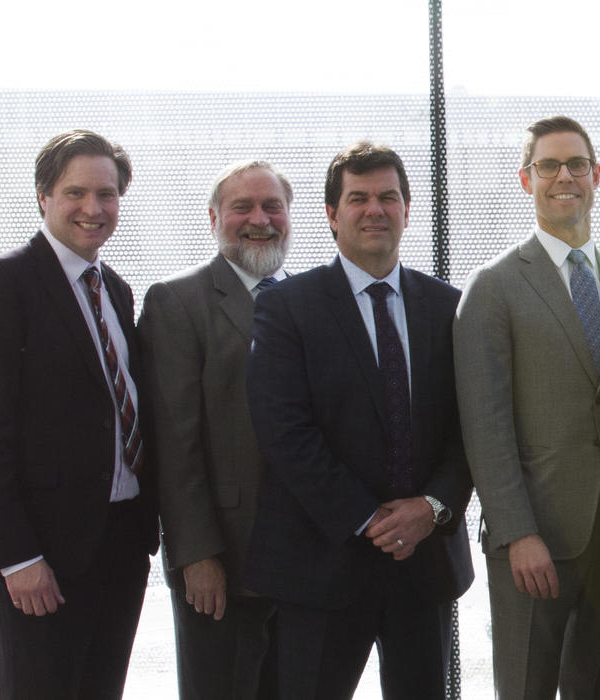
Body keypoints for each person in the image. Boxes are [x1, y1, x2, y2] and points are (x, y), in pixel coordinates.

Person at [242, 142, 473, 699]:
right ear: (331, 214)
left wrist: (432, 508)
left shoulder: (450, 306)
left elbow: (472, 428)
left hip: (424, 565)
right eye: (359, 198)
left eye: (389, 197)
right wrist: (369, 518)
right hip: (322, 564)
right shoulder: (285, 307)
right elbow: (284, 432)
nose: (375, 209)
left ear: (407, 210)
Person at [0, 129, 159, 700]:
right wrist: (17, 557)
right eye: (76, 193)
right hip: (42, 556)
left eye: (107, 194)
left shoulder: (115, 288)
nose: (93, 209)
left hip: (119, 544)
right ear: (43, 196)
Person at [454, 115, 600, 700]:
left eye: (577, 164)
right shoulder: (493, 287)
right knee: (527, 688)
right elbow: (485, 427)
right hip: (534, 542)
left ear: (596, 175)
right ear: (526, 179)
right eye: (549, 165)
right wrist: (517, 533)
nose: (565, 176)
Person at [140, 160, 295, 700]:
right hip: (223, 561)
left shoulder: (312, 299)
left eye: (273, 206)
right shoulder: (176, 302)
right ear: (214, 218)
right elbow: (173, 443)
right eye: (242, 208)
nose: (260, 219)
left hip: (307, 566)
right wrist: (195, 555)